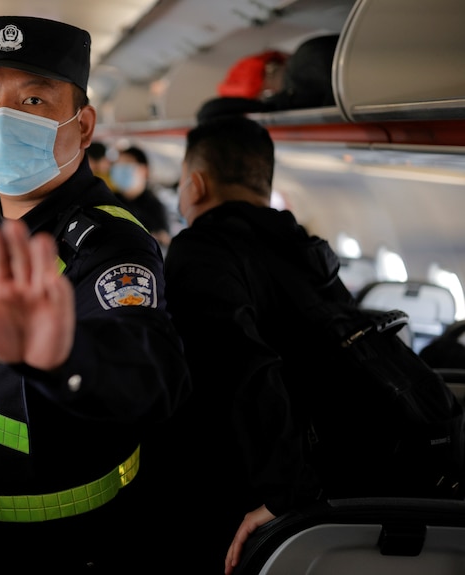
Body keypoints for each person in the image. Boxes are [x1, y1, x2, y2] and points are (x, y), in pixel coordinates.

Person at [0, 15, 191, 573]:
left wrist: (65, 357)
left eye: (34, 102)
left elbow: (152, 381)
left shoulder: (111, 244)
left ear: (84, 124)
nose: (0, 118)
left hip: (56, 545)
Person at [163, 116, 333, 574]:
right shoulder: (304, 245)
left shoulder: (197, 248)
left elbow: (240, 364)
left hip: (246, 487)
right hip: (327, 464)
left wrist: (285, 493)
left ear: (195, 185)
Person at [110, 145, 172, 248]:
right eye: (117, 165)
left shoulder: (156, 209)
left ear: (144, 170)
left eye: (126, 165)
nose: (119, 170)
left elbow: (162, 243)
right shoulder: (109, 200)